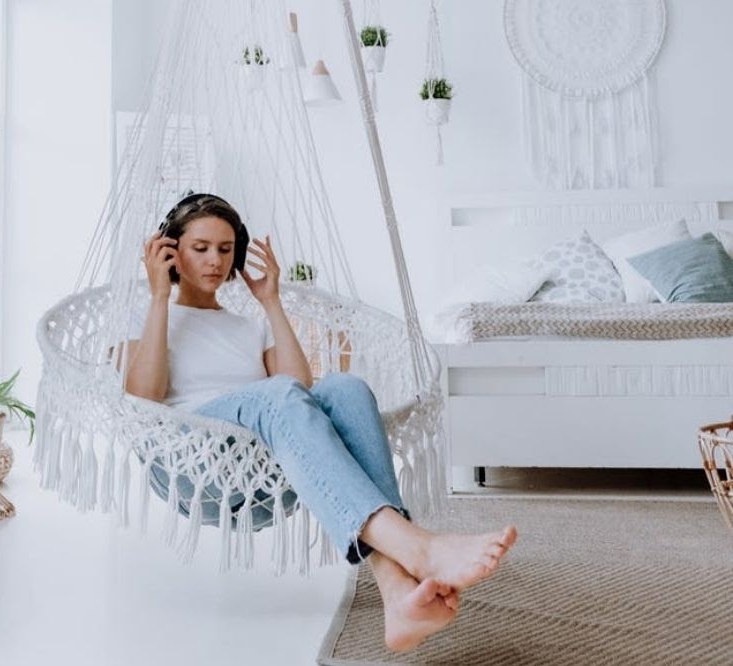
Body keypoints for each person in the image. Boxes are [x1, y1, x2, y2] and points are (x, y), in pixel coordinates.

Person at [124, 193, 517, 652]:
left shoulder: (248, 326)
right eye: (201, 248)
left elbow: (298, 388)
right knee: (276, 395)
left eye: (226, 249)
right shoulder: (152, 314)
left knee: (345, 388)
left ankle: (394, 591)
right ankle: (417, 547)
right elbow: (143, 398)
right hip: (196, 461)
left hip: (264, 467)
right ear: (172, 250)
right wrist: (158, 297)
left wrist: (270, 302)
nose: (215, 261)